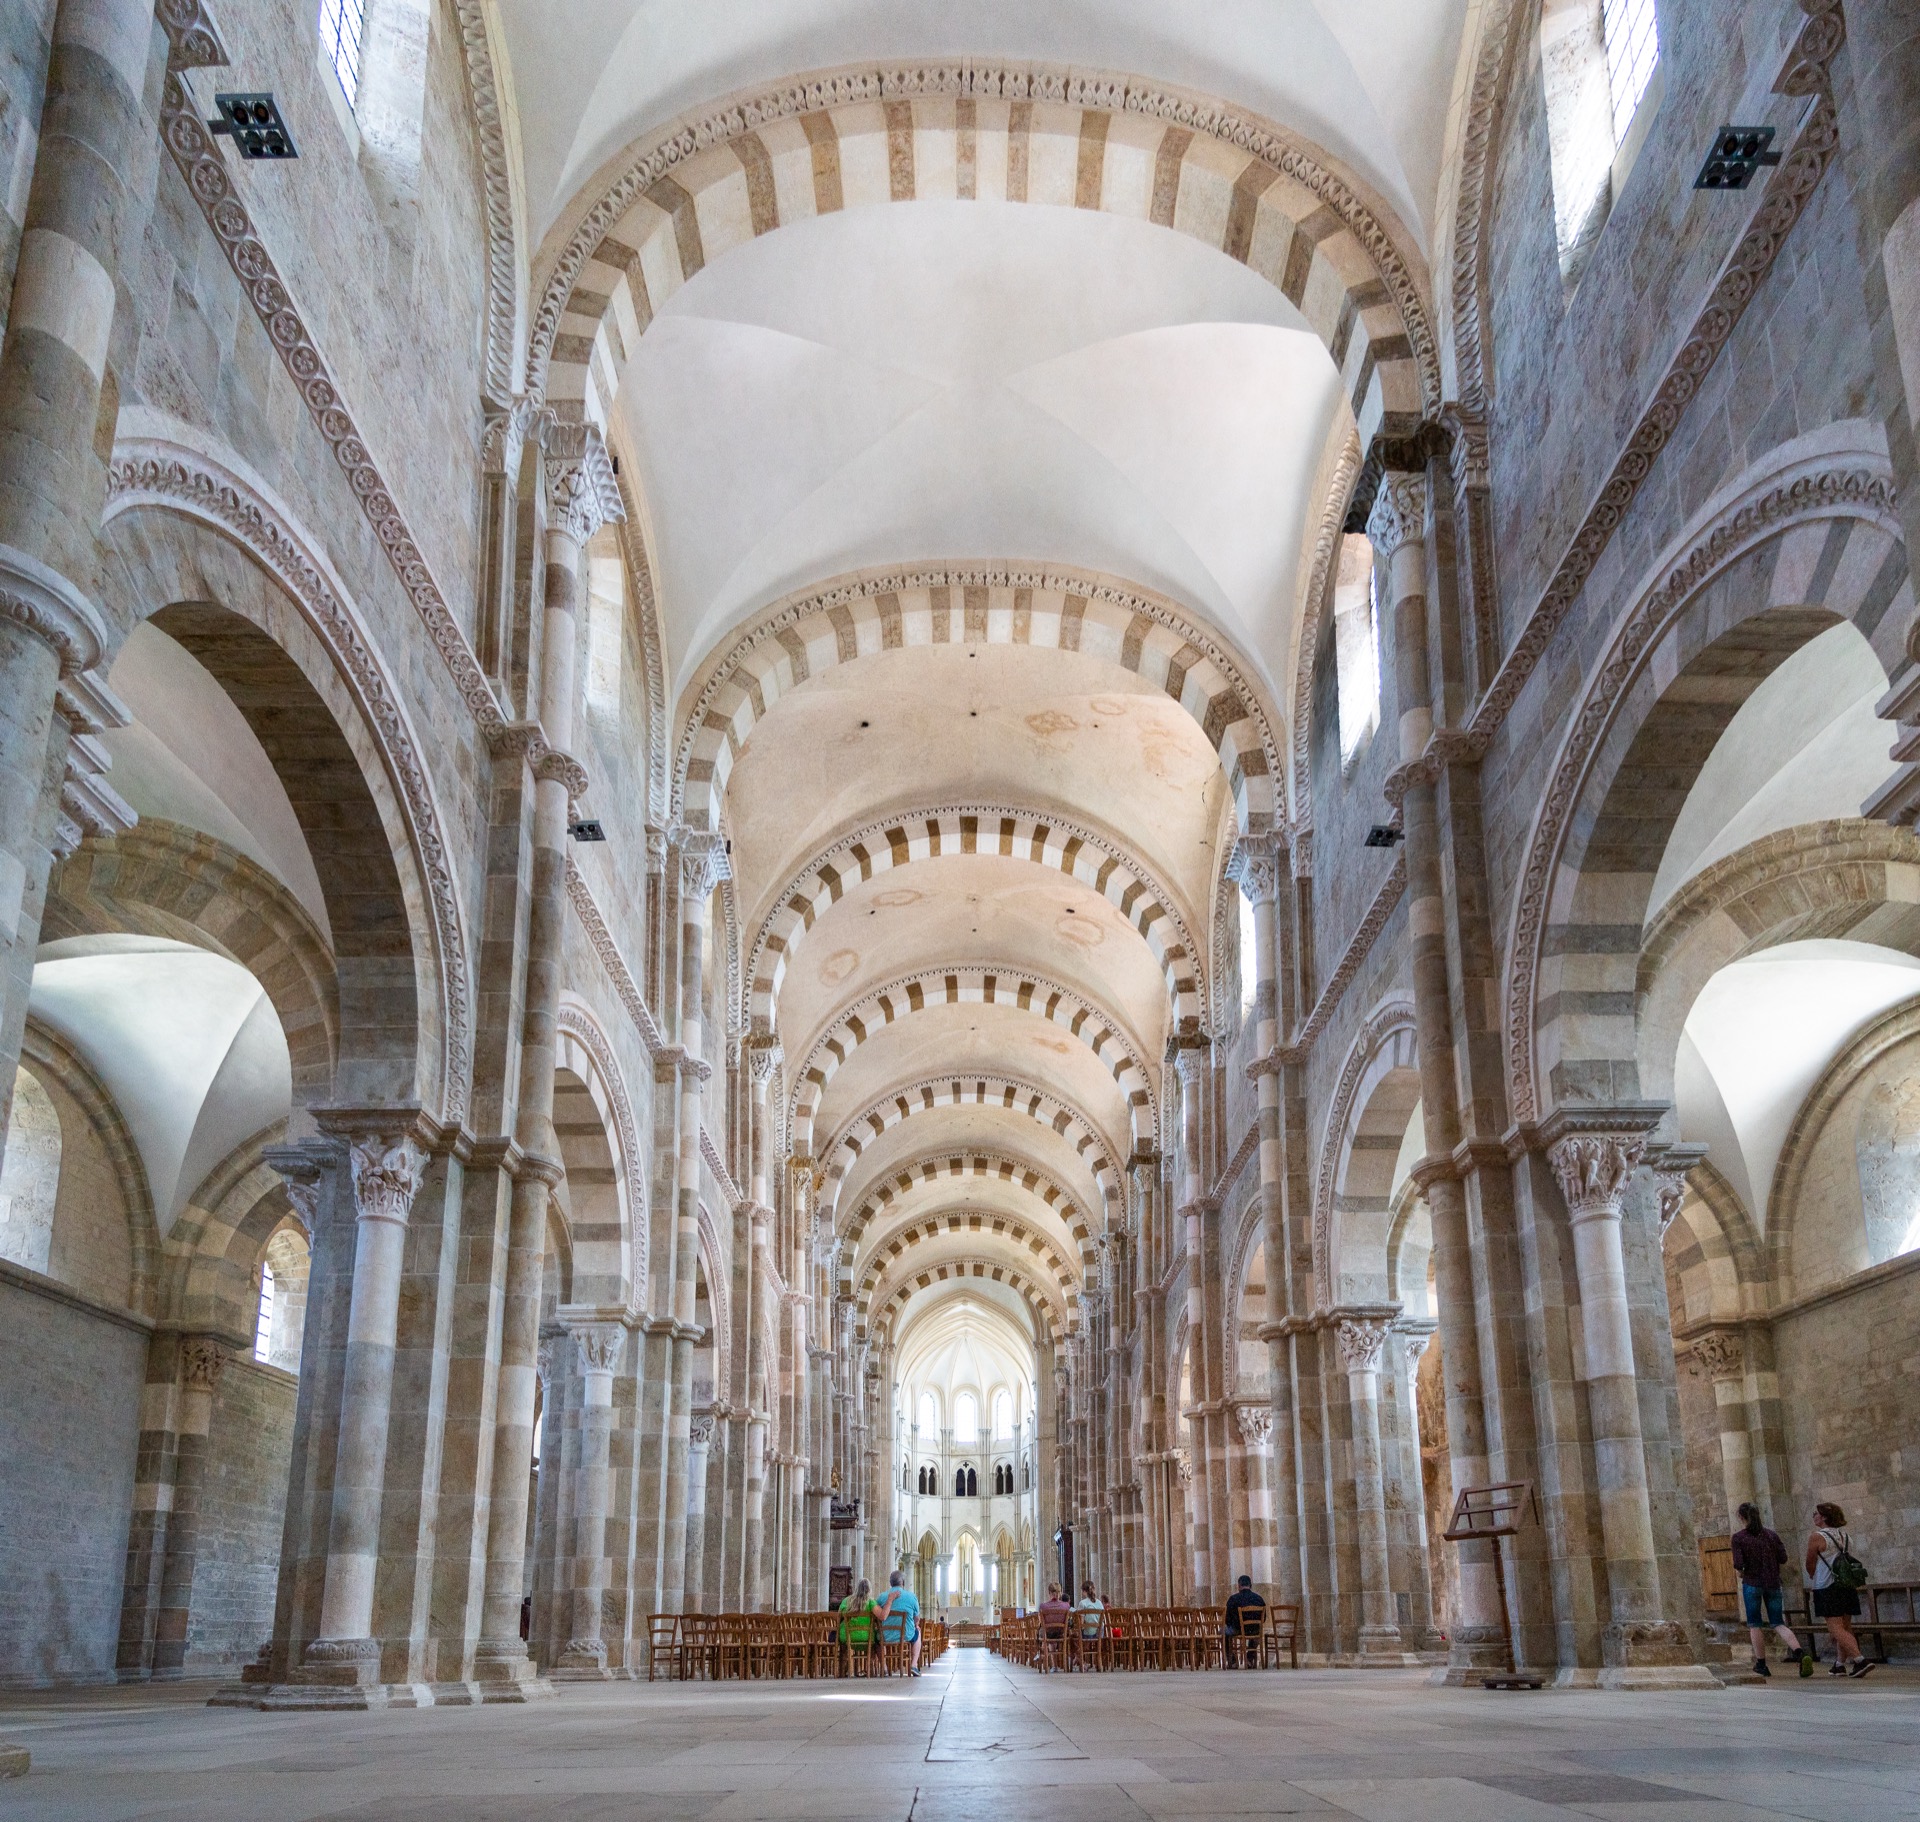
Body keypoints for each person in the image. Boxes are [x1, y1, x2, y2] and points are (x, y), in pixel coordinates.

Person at [1730, 1503, 1811, 1678]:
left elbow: (1738, 1563)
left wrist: (1743, 1570)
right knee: (1778, 1623)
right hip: (1773, 1583)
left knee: (1754, 1624)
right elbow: (1783, 1558)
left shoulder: (1739, 1538)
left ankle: (1761, 1664)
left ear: (1741, 1517)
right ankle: (1799, 1653)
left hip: (1752, 1583)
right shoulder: (1771, 1535)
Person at [1805, 1502, 1875, 1677]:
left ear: (1824, 1517)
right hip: (1846, 1585)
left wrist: (1813, 1574)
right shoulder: (1846, 1536)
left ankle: (1860, 1660)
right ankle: (1839, 1664)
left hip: (1827, 1586)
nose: (1814, 1516)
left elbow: (1810, 1562)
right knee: (1845, 1626)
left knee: (1835, 1628)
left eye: (1816, 1513)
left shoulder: (1817, 1537)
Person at [877, 1568, 923, 1677]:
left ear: (890, 1583)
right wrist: (915, 1625)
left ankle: (884, 1667)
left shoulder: (882, 1597)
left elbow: (878, 1616)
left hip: (885, 1636)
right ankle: (913, 1665)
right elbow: (916, 1618)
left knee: (877, 1640)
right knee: (917, 1633)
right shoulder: (912, 1597)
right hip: (906, 1635)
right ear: (903, 1582)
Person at [1223, 1574, 1267, 1668]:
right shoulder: (1259, 1599)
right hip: (1254, 1630)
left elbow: (1227, 1619)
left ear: (1239, 1585)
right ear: (1250, 1585)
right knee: (1256, 1634)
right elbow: (1263, 1618)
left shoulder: (1233, 1599)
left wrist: (1234, 1625)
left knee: (1223, 1633)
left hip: (1237, 1629)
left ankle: (1233, 1661)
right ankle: (1249, 1659)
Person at [838, 1577, 881, 1672]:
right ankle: (869, 1669)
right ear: (869, 1590)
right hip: (867, 1637)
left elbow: (839, 1616)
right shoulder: (871, 1602)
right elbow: (880, 1616)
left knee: (843, 1646)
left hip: (847, 1637)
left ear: (856, 1588)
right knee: (875, 1644)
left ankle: (843, 1671)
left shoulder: (846, 1601)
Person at [1073, 1580, 1106, 1666]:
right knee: (1082, 1637)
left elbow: (1081, 1623)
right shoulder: (1099, 1603)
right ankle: (1082, 1660)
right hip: (1099, 1633)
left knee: (1073, 1638)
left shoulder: (1082, 1603)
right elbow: (1102, 1620)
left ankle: (1079, 1659)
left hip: (1089, 1633)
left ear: (1084, 1591)